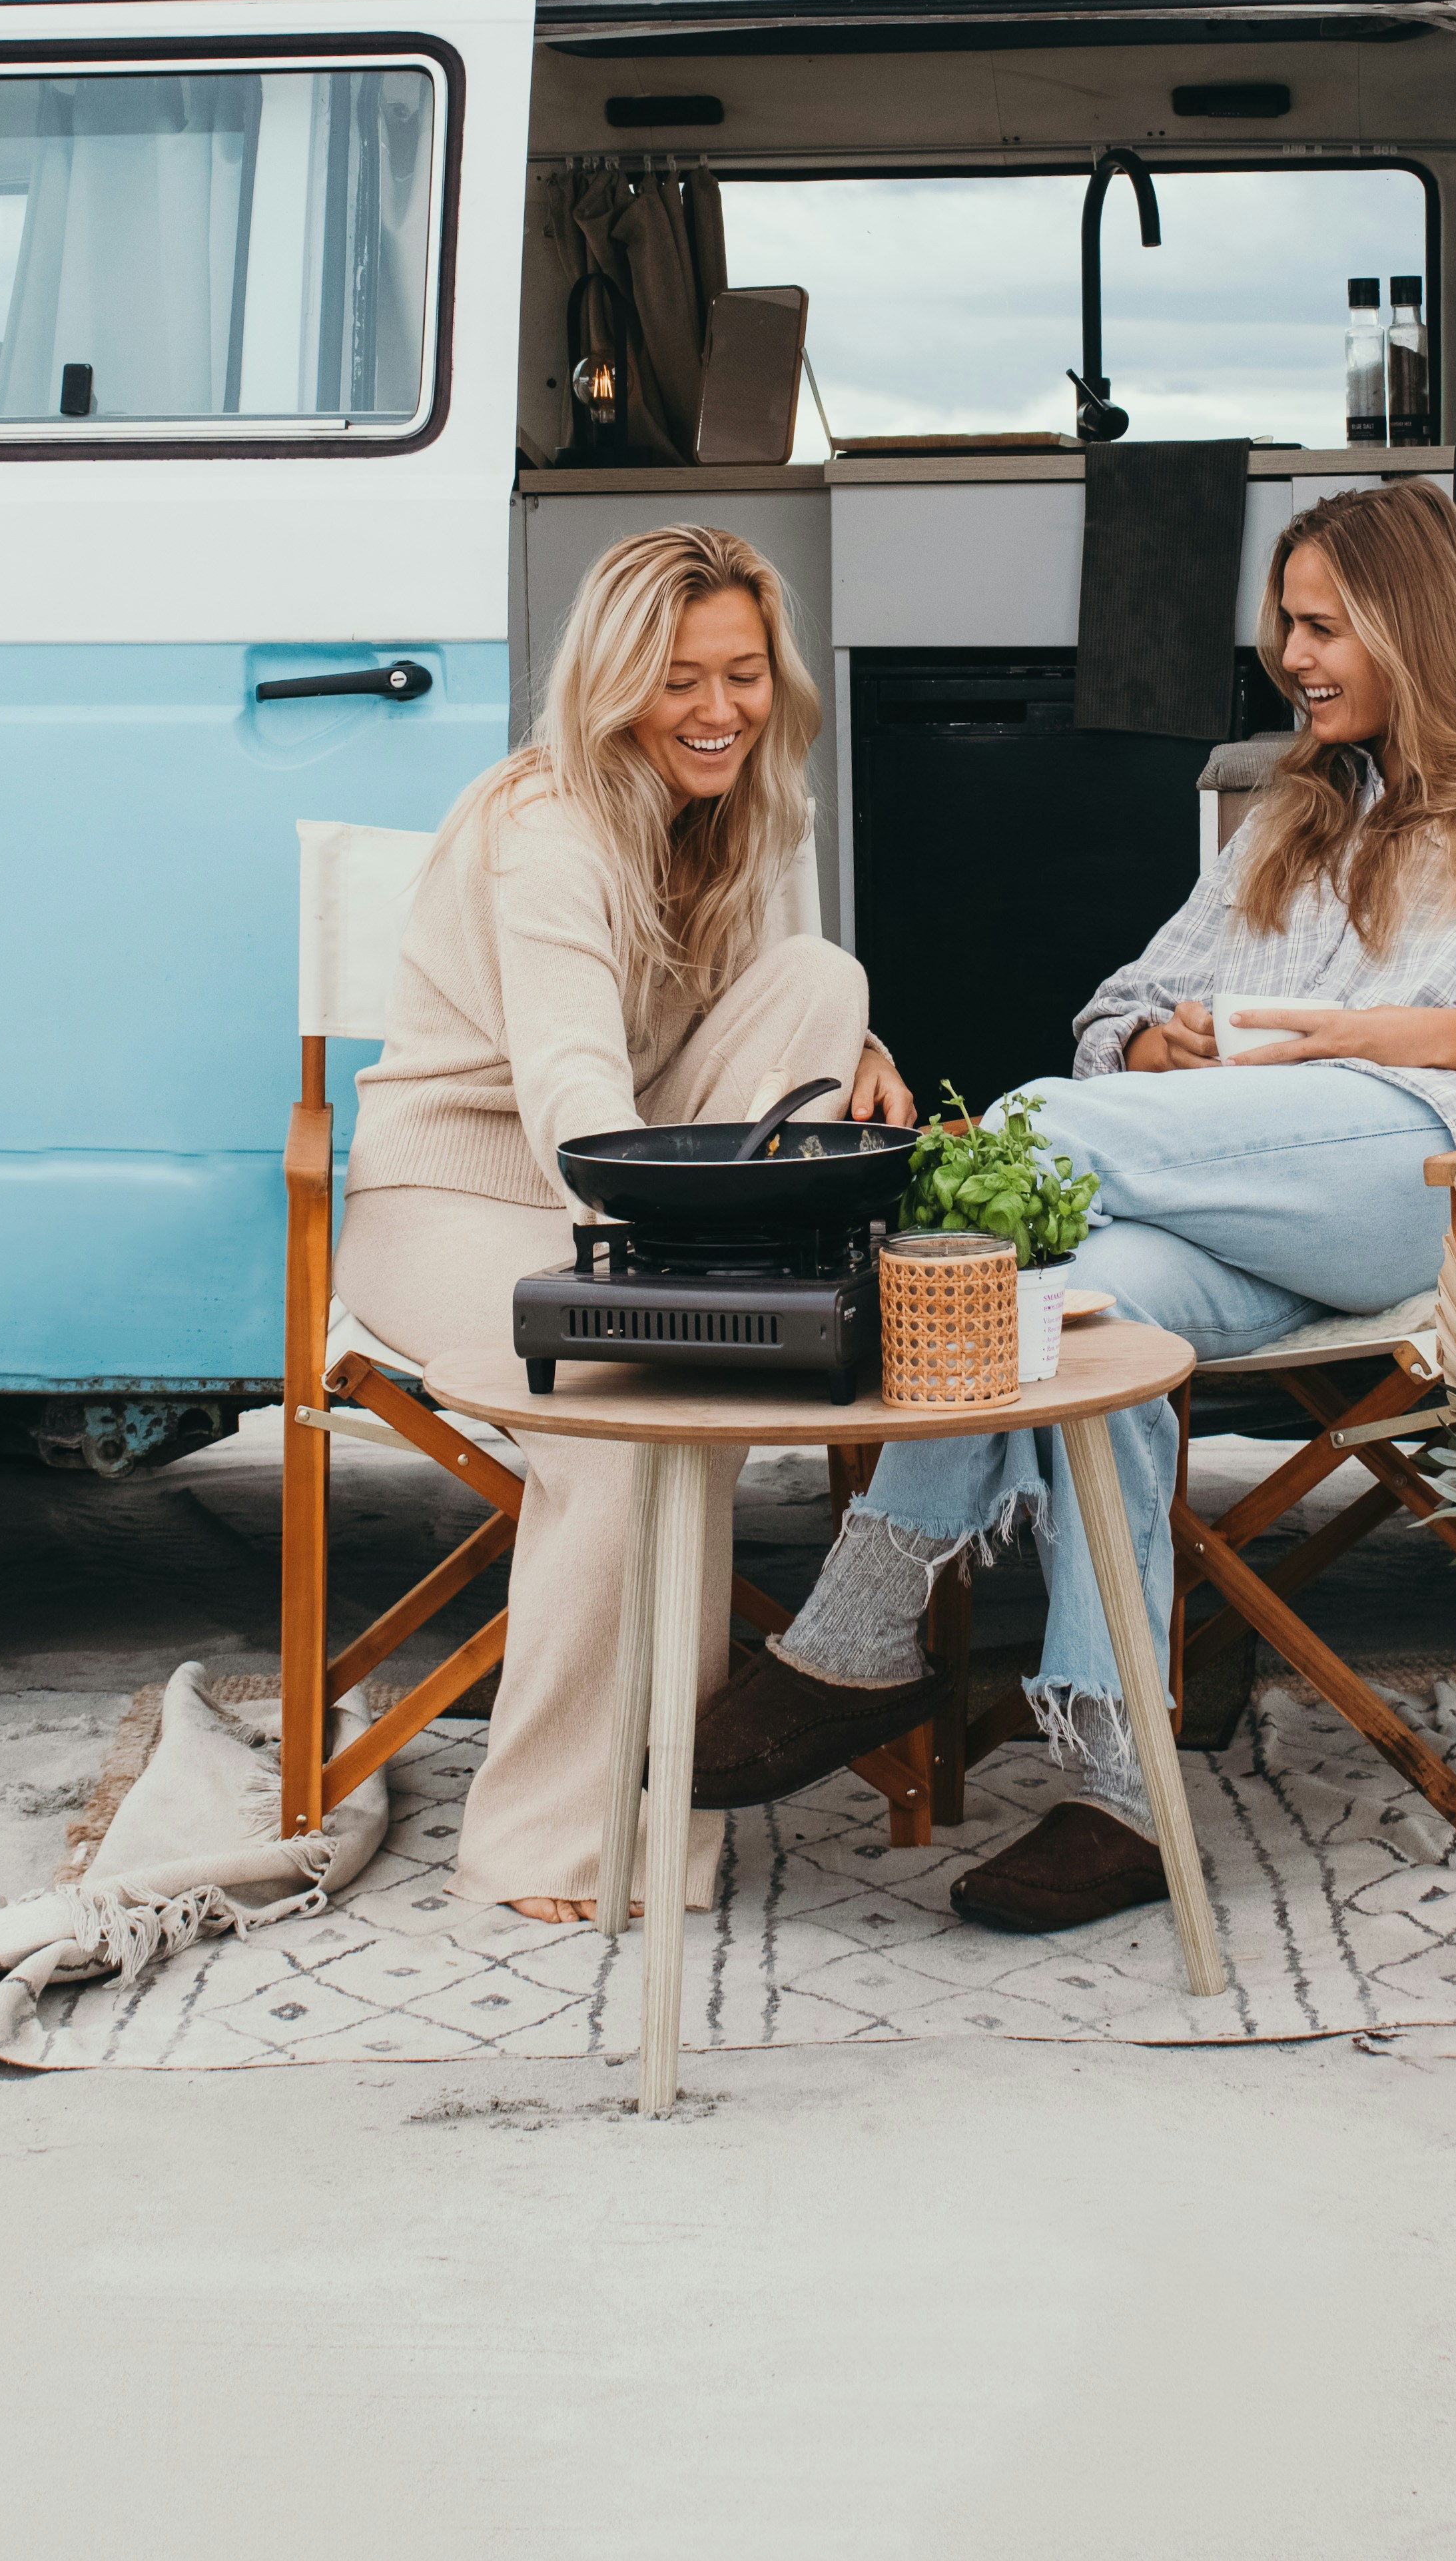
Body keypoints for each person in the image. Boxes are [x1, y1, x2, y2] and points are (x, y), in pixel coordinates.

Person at [693, 476, 1456, 1933]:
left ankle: (856, 1627)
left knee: (1029, 1130)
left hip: (1436, 1184)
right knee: (1088, 1311)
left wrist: (1344, 1034)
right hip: (1236, 1189)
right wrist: (1169, 1047)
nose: (1293, 656)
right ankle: (1116, 1786)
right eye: (1285, 624)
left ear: (1416, 626)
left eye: (1323, 626)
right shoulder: (1300, 804)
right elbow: (1116, 1015)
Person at [335, 524, 913, 1921]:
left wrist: (864, 1043)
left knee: (823, 973)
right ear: (611, 684)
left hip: (623, 1191)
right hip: (459, 1194)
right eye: (678, 680)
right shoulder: (544, 826)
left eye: (744, 673)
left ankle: (668, 1790)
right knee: (630, 1417)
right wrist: (652, 1252)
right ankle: (548, 1837)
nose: (719, 710)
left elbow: (743, 1018)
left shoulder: (734, 810)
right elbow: (573, 1083)